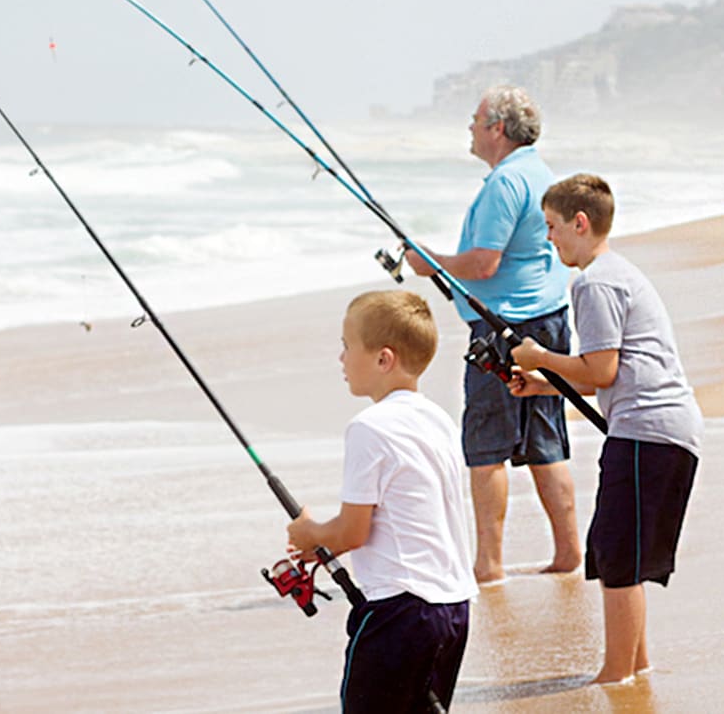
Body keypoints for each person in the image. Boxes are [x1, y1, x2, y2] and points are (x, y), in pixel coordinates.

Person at [508, 173, 702, 684]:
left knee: (618, 557)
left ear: (580, 222)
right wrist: (542, 384)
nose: (549, 239)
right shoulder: (617, 273)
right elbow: (607, 374)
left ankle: (616, 675)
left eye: (552, 227)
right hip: (660, 431)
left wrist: (540, 356)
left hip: (647, 432)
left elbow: (602, 371)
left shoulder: (595, 281)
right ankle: (634, 664)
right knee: (621, 555)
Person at [405, 85, 581, 583]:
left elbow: (484, 263)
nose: (470, 128)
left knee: (487, 447)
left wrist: (429, 262)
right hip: (547, 319)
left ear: (497, 129)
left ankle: (489, 564)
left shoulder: (505, 183)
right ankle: (568, 552)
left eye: (476, 120)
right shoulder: (539, 172)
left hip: (507, 328)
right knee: (547, 442)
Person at [287, 290, 478, 712]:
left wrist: (309, 534)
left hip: (400, 611)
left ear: (383, 359)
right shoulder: (438, 420)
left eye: (347, 345)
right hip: (453, 607)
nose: (340, 358)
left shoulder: (368, 428)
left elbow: (354, 531)